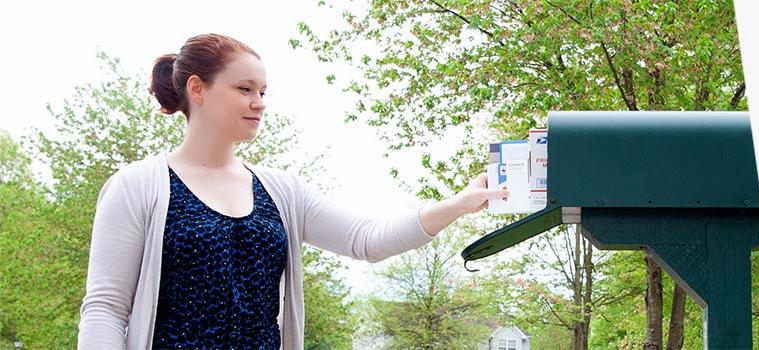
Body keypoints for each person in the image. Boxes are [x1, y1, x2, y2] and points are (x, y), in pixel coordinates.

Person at [77, 33, 508, 350]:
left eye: (263, 91)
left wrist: (457, 205)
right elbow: (105, 310)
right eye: (244, 89)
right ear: (197, 88)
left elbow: (367, 240)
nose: (259, 102)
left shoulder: (281, 191)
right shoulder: (136, 186)